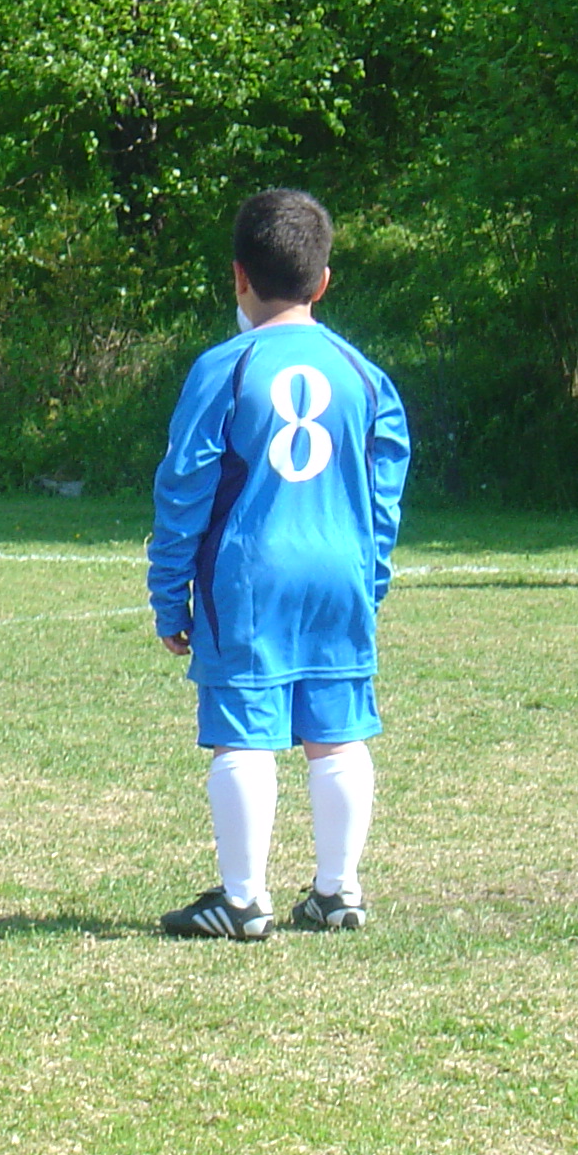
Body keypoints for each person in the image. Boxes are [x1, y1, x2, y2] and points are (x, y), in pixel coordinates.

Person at [145, 190, 410, 941]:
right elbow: (385, 490)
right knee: (338, 731)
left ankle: (242, 900)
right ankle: (338, 891)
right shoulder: (364, 373)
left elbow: (184, 488)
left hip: (251, 577)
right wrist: (370, 580)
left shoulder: (225, 367)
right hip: (339, 575)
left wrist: (169, 595)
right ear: (323, 282)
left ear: (239, 277)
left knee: (245, 733)